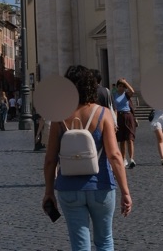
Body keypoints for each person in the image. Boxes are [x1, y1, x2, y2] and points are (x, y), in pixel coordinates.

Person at [42, 65, 132, 251]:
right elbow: (114, 155)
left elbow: (50, 159)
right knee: (105, 241)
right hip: (101, 186)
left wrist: (49, 191)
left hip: (69, 188)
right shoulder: (103, 113)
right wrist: (125, 191)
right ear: (91, 86)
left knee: (79, 245)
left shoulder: (59, 116)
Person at [112, 79, 137, 169]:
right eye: (120, 86)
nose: (121, 88)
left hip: (128, 116)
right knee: (122, 140)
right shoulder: (114, 95)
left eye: (123, 86)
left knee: (130, 138)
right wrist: (114, 121)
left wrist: (125, 82)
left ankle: (131, 159)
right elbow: (114, 108)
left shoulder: (126, 94)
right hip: (119, 116)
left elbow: (132, 91)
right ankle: (123, 159)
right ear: (117, 87)